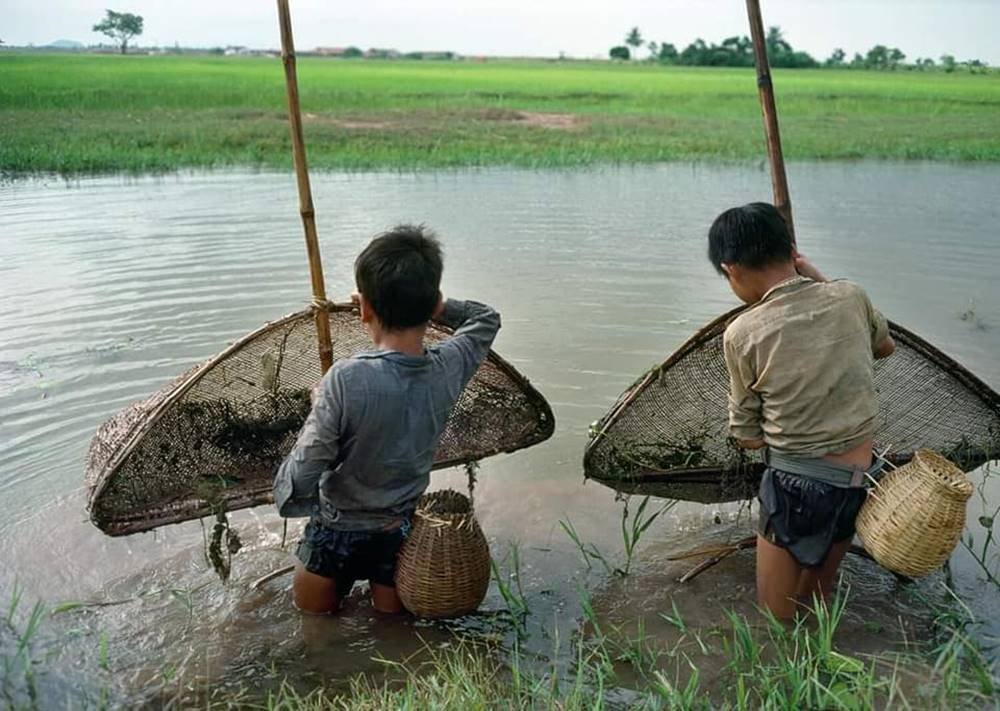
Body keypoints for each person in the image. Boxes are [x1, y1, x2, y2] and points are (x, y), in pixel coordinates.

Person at [273, 224, 500, 615]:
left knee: (314, 627)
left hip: (333, 534)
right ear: (432, 308)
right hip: (399, 537)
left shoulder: (344, 378)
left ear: (364, 309)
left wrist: (319, 406)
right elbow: (486, 318)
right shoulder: (450, 365)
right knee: (391, 633)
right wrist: (440, 307)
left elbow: (306, 469)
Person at [708, 203, 895, 620]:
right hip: (853, 484)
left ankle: (791, 677)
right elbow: (884, 346)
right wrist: (820, 280)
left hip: (796, 487)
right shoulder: (850, 296)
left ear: (731, 269)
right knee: (816, 603)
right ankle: (821, 667)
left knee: (777, 619)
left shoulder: (742, 333)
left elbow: (747, 434)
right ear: (793, 252)